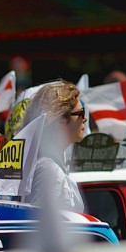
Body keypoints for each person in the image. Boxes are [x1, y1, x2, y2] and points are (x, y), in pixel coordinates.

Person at [22, 80, 86, 212]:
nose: (85, 119)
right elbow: (35, 221)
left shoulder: (51, 163)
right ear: (61, 119)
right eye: (81, 113)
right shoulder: (48, 169)